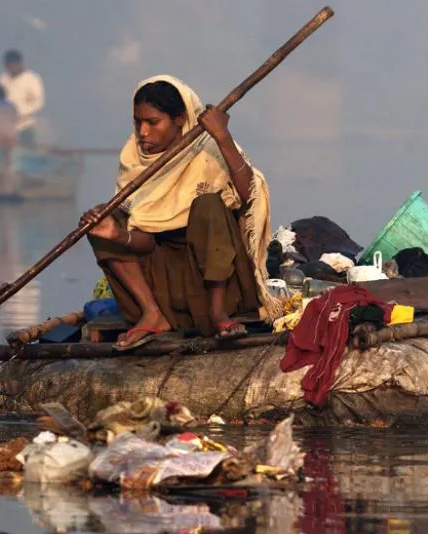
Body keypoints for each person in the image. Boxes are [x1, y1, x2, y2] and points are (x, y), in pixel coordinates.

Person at [80, 75, 281, 351]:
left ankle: (217, 314)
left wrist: (223, 136)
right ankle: (152, 314)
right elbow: (146, 239)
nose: (143, 132)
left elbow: (249, 196)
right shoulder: (133, 159)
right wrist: (117, 235)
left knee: (208, 205)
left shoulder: (208, 147)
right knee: (105, 219)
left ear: (178, 119)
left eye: (152, 122)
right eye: (138, 122)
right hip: (165, 291)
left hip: (217, 288)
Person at [0, 49, 44, 148]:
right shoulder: (2, 79)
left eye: (12, 65)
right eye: (7, 66)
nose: (10, 68)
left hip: (25, 126)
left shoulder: (31, 78)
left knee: (27, 155)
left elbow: (38, 102)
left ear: (19, 64)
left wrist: (20, 112)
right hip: (6, 128)